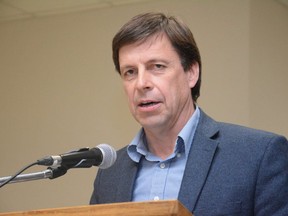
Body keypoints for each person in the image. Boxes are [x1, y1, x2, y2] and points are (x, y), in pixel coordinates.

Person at [90, 12, 288, 215]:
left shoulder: (258, 155)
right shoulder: (110, 173)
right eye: (130, 72)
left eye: (157, 67)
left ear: (191, 73)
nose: (141, 84)